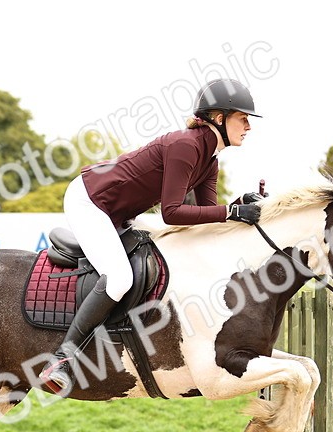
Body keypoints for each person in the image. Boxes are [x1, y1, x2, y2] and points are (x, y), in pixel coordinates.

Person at [39, 78, 264, 395]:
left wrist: (239, 208)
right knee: (119, 278)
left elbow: (208, 215)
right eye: (243, 118)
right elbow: (171, 213)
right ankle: (61, 359)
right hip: (89, 201)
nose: (248, 126)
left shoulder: (208, 160)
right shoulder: (186, 146)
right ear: (218, 117)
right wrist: (231, 212)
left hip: (115, 212)